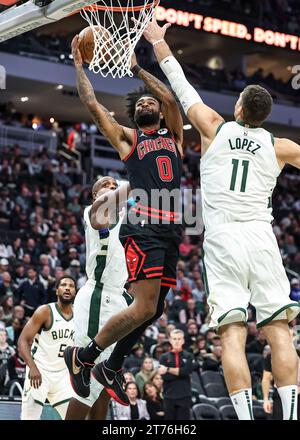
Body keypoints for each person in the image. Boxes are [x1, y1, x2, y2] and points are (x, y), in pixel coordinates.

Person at [142, 16, 300, 420]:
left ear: (239, 108)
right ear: (262, 116)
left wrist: (159, 42)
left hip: (224, 239)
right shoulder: (281, 146)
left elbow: (180, 85)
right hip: (263, 238)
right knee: (279, 330)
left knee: (232, 334)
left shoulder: (214, 127)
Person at [64, 34, 183, 406]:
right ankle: (85, 356)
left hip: (170, 229)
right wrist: (79, 66)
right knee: (145, 307)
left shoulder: (175, 134)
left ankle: (110, 365)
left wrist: (137, 68)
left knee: (156, 308)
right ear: (135, 114)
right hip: (144, 225)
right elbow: (92, 104)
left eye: (152, 101)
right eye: (142, 102)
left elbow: (169, 96)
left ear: (160, 112)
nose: (148, 102)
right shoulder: (129, 140)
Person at [65, 176, 133, 420]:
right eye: (107, 185)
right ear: (96, 195)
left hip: (117, 298)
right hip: (98, 297)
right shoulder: (95, 211)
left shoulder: (128, 220)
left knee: (104, 382)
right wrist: (140, 173)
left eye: (115, 186)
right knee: (88, 384)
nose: (112, 188)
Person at [18, 276, 76, 420]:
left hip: (63, 375)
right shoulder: (45, 311)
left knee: (75, 417)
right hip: (40, 371)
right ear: (57, 291)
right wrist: (32, 367)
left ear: (75, 292)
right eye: (63, 285)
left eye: (71, 286)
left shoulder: (80, 315)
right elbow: (23, 341)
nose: (67, 288)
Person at [158, 329, 195, 420]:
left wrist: (167, 369)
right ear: (170, 340)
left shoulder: (189, 356)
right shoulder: (163, 357)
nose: (177, 341)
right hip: (168, 396)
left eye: (179, 339)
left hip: (184, 395)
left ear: (183, 340)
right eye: (174, 339)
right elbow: (165, 377)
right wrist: (180, 372)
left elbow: (187, 371)